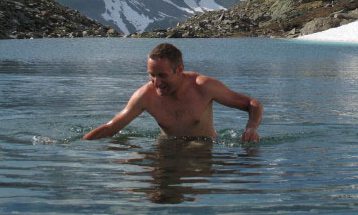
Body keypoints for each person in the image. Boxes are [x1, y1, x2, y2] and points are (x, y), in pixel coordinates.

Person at [82, 43, 262, 142]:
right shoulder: (145, 95)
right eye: (151, 75)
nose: (156, 83)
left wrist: (251, 128)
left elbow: (253, 104)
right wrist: (76, 147)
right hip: (166, 148)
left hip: (202, 148)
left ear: (179, 69)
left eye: (162, 75)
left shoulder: (203, 86)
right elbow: (110, 128)